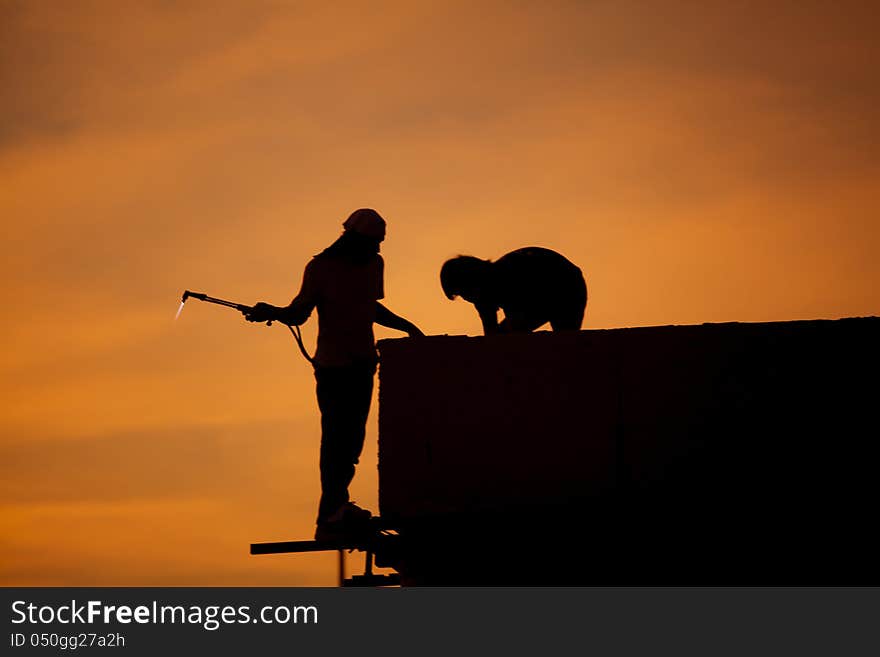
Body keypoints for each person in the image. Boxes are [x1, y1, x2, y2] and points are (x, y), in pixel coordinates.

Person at [244, 208, 423, 541]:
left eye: (380, 244)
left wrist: (407, 326)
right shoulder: (320, 268)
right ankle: (329, 515)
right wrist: (271, 311)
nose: (378, 250)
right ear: (353, 238)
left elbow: (369, 306)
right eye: (373, 243)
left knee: (352, 443)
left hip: (362, 365)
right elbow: (299, 314)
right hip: (334, 368)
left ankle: (337, 509)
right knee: (337, 442)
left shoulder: (373, 265)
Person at [440, 247, 587, 335]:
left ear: (472, 281)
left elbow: (516, 324)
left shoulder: (506, 276)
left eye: (463, 292)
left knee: (566, 340)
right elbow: (491, 338)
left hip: (565, 287)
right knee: (508, 335)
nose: (466, 299)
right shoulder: (484, 295)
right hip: (547, 291)